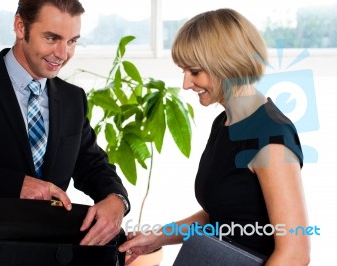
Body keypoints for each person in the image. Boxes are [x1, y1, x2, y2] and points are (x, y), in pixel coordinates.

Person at [119, 8, 310, 265]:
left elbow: (295, 254)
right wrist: (157, 237)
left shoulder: (270, 137)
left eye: (195, 72)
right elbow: (222, 217)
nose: (186, 84)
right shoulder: (225, 122)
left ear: (227, 65)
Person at [0, 0, 130, 248]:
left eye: (72, 41)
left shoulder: (73, 98)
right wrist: (16, 185)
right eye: (52, 38)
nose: (63, 54)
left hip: (53, 254)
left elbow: (92, 165)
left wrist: (116, 199)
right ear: (20, 26)